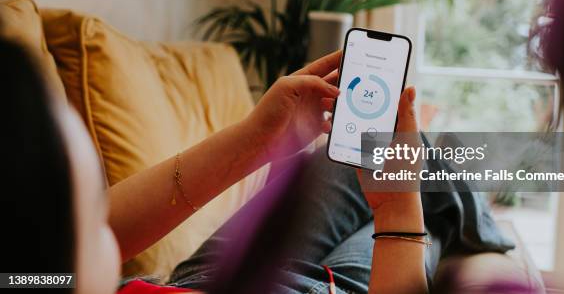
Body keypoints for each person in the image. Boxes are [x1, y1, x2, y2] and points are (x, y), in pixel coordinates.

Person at [1, 36, 432, 294]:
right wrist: (398, 217)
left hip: (202, 279)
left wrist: (256, 140)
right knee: (428, 171)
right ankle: (478, 233)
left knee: (387, 155)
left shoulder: (30, 280)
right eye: (93, 218)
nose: (108, 220)